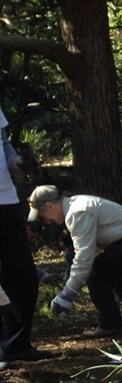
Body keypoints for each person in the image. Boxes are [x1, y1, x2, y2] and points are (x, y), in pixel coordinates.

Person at [28, 185, 122, 336]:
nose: (46, 221)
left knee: (96, 273)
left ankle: (111, 324)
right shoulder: (77, 204)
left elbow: (85, 256)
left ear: (49, 206)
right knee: (120, 278)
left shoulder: (77, 212)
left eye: (42, 215)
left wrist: (68, 293)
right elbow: (94, 247)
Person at [0, 107, 52, 364]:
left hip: (6, 200)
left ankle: (15, 346)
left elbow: (4, 145)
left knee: (23, 278)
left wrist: (19, 163)